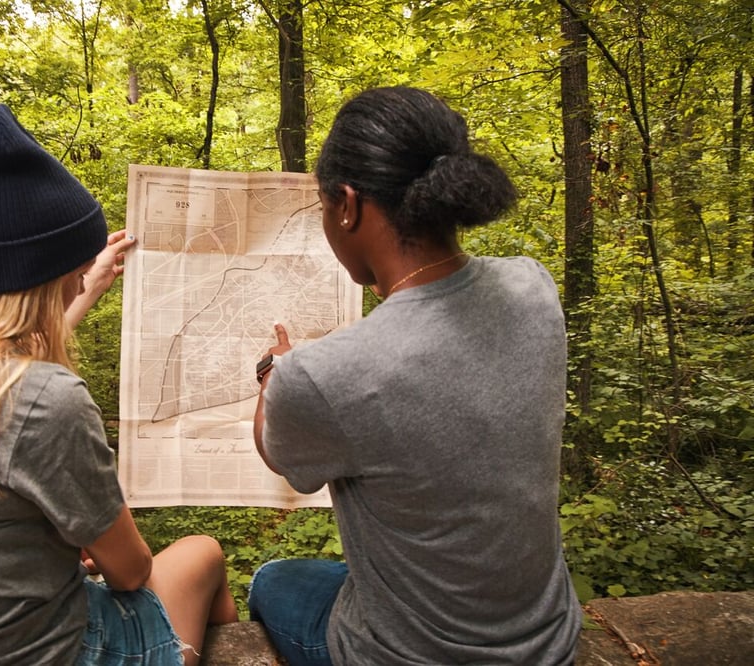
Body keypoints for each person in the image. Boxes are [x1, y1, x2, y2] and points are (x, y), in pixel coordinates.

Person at [0, 104, 237, 666]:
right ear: (46, 278)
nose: (83, 277)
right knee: (203, 553)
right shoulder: (48, 401)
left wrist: (87, 288)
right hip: (44, 655)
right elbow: (130, 572)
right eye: (75, 272)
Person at [248, 87, 581, 665]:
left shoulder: (323, 374)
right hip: (549, 642)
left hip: (408, 656)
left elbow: (280, 456)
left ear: (347, 205)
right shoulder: (534, 286)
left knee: (273, 581)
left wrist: (276, 374)